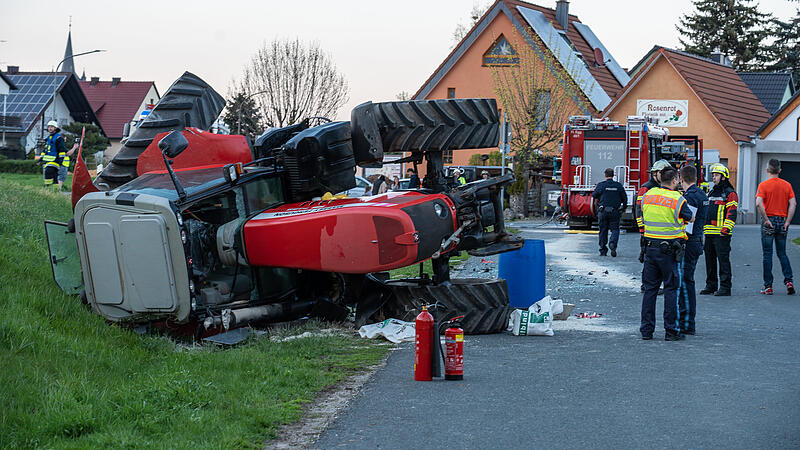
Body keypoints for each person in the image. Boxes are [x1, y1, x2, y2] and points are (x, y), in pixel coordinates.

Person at [640, 168, 694, 341]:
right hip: (669, 251)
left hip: (650, 248)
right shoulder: (677, 199)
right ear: (675, 181)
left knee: (650, 291)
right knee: (671, 290)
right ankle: (671, 331)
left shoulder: (648, 195)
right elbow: (689, 217)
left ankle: (646, 331)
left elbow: (642, 213)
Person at [755, 159, 796, 295]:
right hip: (781, 221)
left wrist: (766, 219)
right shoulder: (787, 185)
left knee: (767, 254)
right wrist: (787, 221)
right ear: (779, 171)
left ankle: (768, 286)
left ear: (767, 170)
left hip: (769, 222)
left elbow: (758, 203)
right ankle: (789, 281)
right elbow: (793, 204)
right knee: (782, 253)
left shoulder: (763, 185)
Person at [699, 163, 738, 297]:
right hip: (709, 233)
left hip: (722, 234)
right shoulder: (712, 191)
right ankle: (711, 285)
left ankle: (725, 287)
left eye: (716, 175)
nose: (714, 177)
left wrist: (726, 229)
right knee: (709, 261)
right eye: (713, 175)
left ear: (723, 177)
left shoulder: (730, 193)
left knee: (723, 261)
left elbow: (732, 213)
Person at [678, 165, 708, 335]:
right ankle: (688, 322)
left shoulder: (689, 197)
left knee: (685, 282)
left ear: (681, 179)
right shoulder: (702, 194)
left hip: (689, 242)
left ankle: (687, 323)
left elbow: (687, 223)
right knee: (687, 281)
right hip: (697, 240)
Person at [592, 168, 627, 257]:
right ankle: (613, 244)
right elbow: (624, 198)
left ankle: (603, 250)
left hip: (603, 211)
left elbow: (594, 195)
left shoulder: (601, 185)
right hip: (614, 211)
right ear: (613, 175)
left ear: (605, 175)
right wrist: (624, 208)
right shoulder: (618, 186)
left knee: (603, 230)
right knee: (615, 229)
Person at [34, 120, 66, 187]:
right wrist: (40, 160)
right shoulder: (48, 138)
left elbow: (62, 150)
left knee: (48, 171)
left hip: (55, 160)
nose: (50, 128)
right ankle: (55, 191)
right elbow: (45, 150)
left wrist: (60, 161)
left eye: (52, 127)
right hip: (48, 161)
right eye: (49, 127)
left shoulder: (59, 138)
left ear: (55, 128)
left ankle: (48, 187)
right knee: (54, 176)